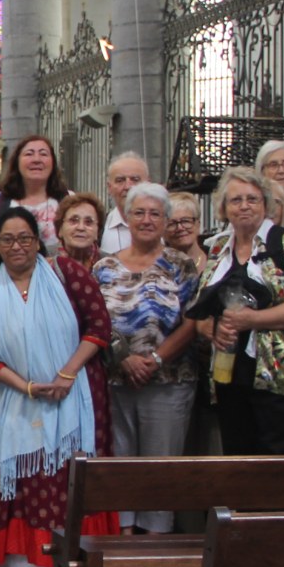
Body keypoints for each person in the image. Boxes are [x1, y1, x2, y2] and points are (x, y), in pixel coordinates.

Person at [0, 206, 112, 567]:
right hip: (21, 402)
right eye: (7, 239)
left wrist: (66, 375)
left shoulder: (66, 274)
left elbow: (100, 326)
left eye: (25, 238)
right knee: (27, 477)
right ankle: (28, 563)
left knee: (69, 477)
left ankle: (78, 559)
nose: (16, 246)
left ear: (38, 241)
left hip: (77, 396)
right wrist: (30, 387)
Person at [194, 166, 284, 456]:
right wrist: (208, 328)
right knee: (239, 459)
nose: (244, 206)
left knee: (282, 465)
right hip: (231, 375)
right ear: (223, 208)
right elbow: (202, 308)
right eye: (236, 200)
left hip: (283, 376)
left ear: (266, 204)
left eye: (252, 199)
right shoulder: (217, 248)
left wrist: (253, 320)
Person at [92, 183, 199, 532]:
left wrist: (155, 358)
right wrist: (123, 358)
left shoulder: (182, 265)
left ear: (167, 220)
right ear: (127, 216)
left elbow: (193, 321)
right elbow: (95, 320)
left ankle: (156, 537)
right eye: (139, 212)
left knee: (159, 465)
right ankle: (121, 532)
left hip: (168, 380)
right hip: (116, 379)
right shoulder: (104, 267)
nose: (147, 219)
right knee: (121, 461)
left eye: (155, 213)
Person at [0, 133, 69, 240]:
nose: (36, 160)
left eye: (43, 154)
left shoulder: (68, 200)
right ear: (17, 162)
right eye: (29, 154)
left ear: (53, 162)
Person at [99, 152, 149, 253]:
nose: (128, 186)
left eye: (135, 179)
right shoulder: (99, 228)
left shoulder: (165, 226)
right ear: (109, 187)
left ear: (148, 183)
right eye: (120, 180)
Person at [56, 192, 107, 268]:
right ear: (60, 229)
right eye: (73, 220)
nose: (81, 228)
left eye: (88, 222)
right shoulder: (42, 261)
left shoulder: (109, 264)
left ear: (98, 231)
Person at [166, 191, 209, 269]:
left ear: (198, 224)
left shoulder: (219, 259)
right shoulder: (158, 267)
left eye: (185, 221)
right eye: (172, 223)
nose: (180, 228)